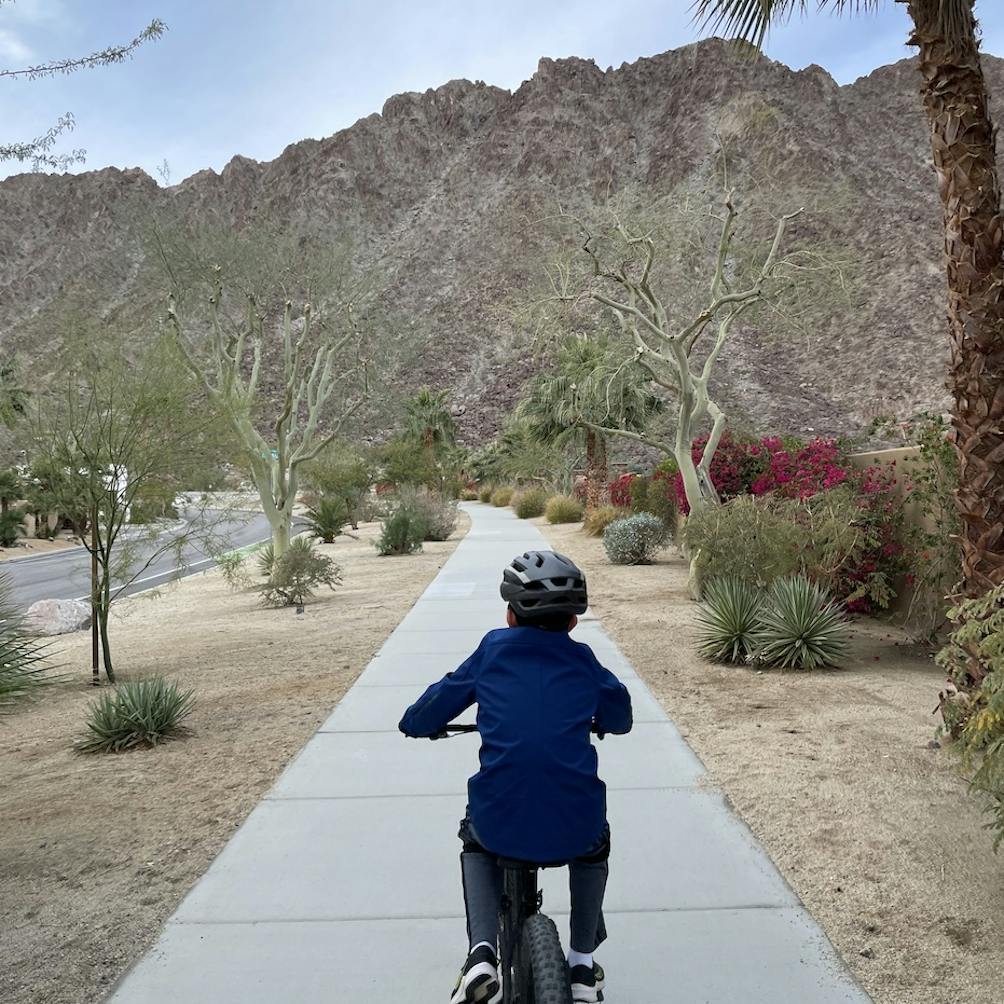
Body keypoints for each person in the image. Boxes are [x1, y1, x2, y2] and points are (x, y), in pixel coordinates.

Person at [399, 550, 633, 1004]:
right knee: (594, 846)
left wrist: (418, 724)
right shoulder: (583, 661)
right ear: (573, 623)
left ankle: (481, 955)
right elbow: (620, 716)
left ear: (509, 614)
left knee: (476, 842)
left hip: (499, 815)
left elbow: (433, 706)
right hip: (575, 822)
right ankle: (582, 963)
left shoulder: (491, 650)